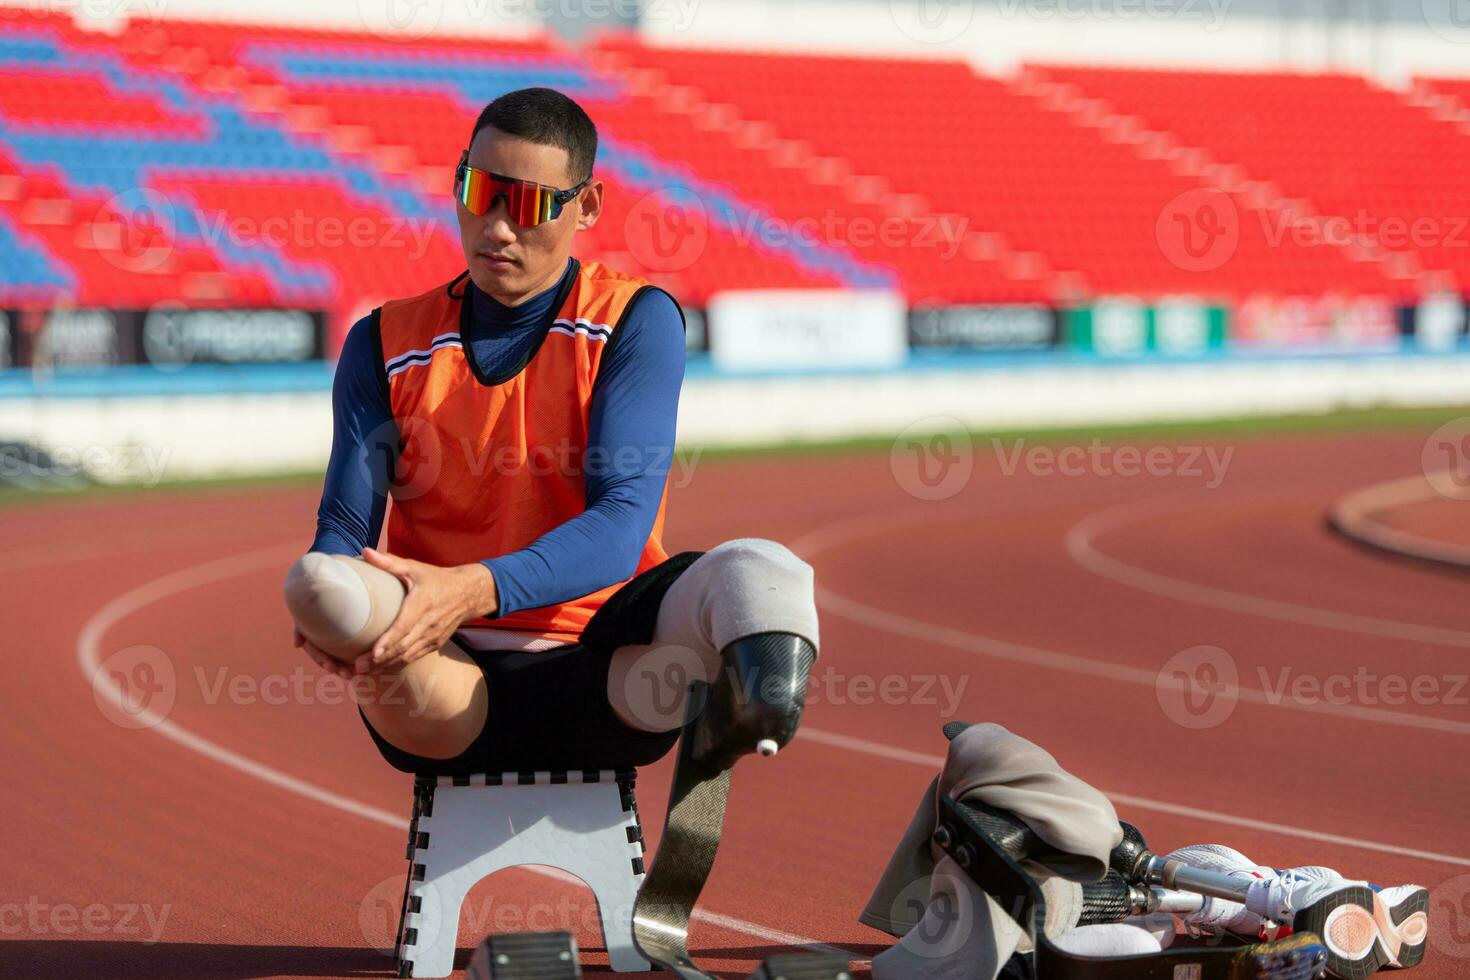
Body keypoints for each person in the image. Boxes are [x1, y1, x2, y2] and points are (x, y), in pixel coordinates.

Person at [281, 86, 820, 777]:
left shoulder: (634, 319)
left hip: (609, 677)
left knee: (762, 569)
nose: (498, 227)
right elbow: (343, 522)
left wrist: (470, 588)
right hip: (439, 674)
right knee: (316, 582)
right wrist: (333, 601)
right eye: (479, 192)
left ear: (587, 206)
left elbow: (621, 526)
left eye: (531, 203)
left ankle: (763, 717)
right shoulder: (383, 340)